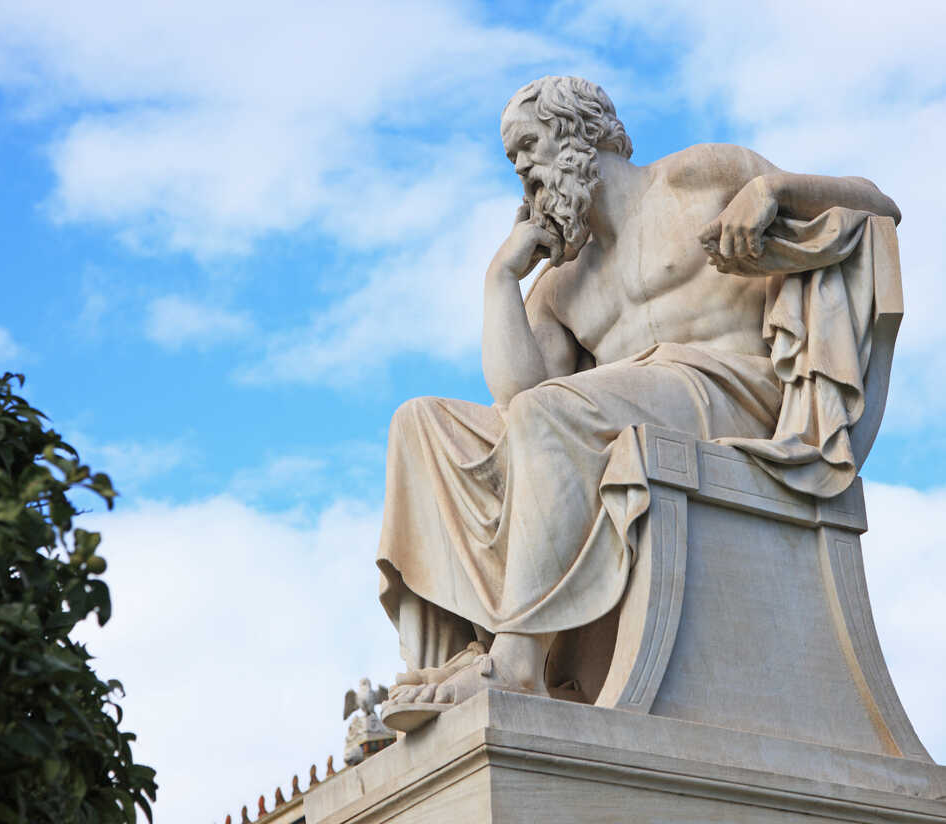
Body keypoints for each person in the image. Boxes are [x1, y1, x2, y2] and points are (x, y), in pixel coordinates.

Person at [377, 76, 901, 732]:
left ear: (578, 134)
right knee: (419, 423)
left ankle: (517, 663)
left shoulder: (696, 177)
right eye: (511, 160)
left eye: (528, 147)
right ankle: (453, 660)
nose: (521, 170)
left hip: (733, 395)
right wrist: (502, 278)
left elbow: (876, 206)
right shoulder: (561, 283)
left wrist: (773, 192)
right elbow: (514, 397)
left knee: (553, 411)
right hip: (630, 406)